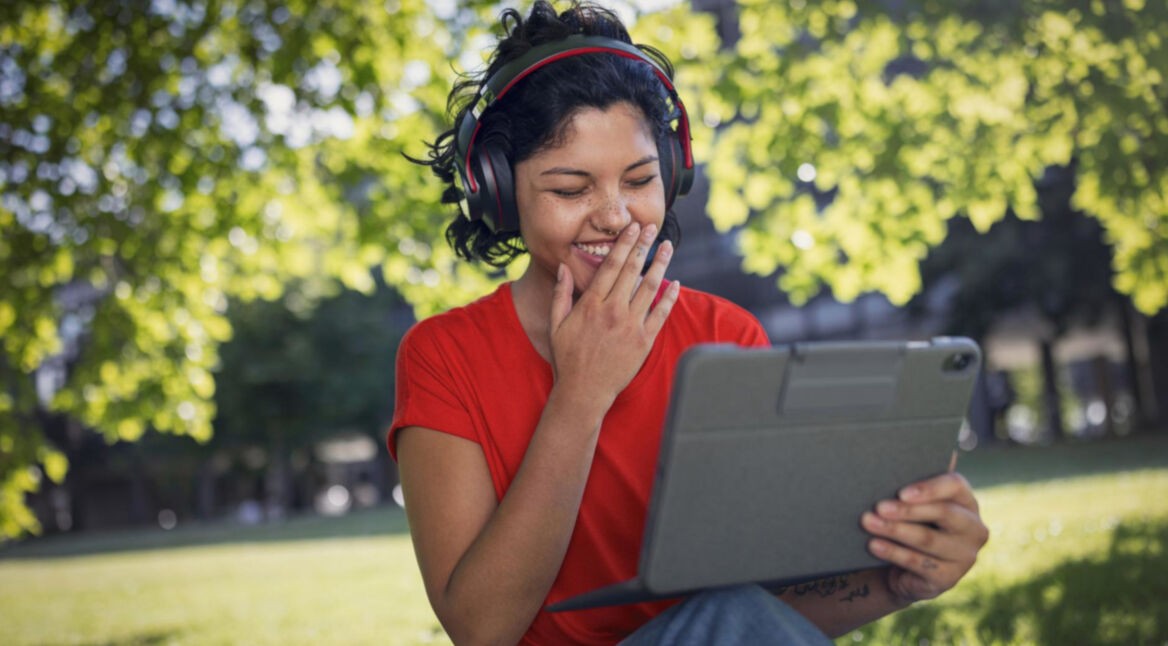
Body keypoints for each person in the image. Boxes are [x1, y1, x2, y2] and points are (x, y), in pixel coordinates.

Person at [391, 2, 989, 644]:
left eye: (640, 179)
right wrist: (582, 393)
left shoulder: (724, 335)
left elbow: (760, 616)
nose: (616, 217)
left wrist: (897, 581)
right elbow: (481, 630)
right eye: (571, 190)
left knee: (735, 609)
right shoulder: (442, 354)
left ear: (672, 174)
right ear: (497, 193)